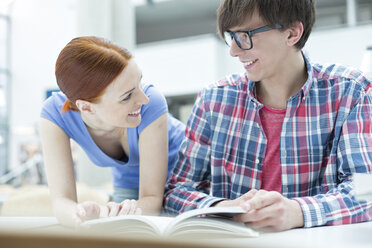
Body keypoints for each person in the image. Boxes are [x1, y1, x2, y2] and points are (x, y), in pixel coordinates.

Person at [164, 0, 372, 231]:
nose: (233, 51)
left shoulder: (351, 91)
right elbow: (176, 191)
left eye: (244, 36)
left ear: (292, 33)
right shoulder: (214, 100)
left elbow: (366, 194)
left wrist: (297, 212)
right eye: (230, 36)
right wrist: (224, 207)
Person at [39, 36, 185, 227]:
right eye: (127, 97)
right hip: (128, 181)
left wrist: (113, 214)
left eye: (139, 84)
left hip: (185, 174)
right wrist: (82, 215)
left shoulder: (152, 102)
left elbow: (152, 199)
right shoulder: (54, 115)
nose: (144, 99)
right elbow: (61, 202)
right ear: (87, 108)